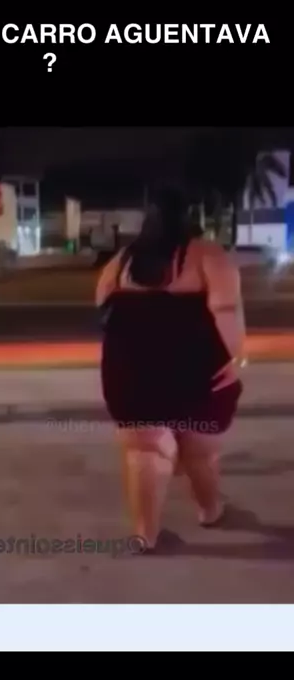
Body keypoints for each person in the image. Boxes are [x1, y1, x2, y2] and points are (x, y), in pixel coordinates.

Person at [96, 186, 246, 552]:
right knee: (200, 448)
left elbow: (103, 309)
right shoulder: (207, 255)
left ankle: (145, 535)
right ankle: (210, 510)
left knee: (144, 449)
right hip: (196, 366)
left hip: (130, 367)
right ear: (189, 216)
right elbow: (226, 310)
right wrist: (235, 359)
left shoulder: (122, 261)